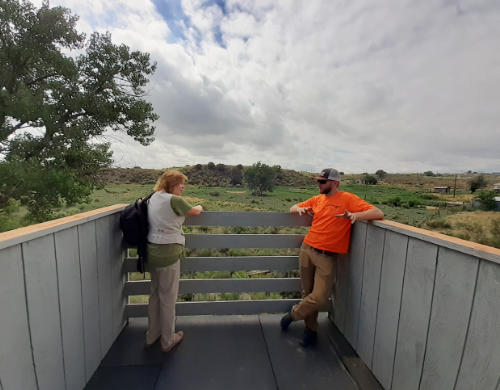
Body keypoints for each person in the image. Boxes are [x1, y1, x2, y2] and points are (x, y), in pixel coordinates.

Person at [281, 168, 384, 347]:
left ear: (335, 183)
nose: (318, 184)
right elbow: (292, 208)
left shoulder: (348, 199)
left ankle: (293, 315)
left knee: (320, 297)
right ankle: (311, 331)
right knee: (307, 292)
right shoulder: (317, 199)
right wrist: (298, 208)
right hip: (307, 249)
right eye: (318, 181)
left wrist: (355, 216)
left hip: (327, 257)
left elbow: (378, 213)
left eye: (322, 181)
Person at [144, 170, 203, 352]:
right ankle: (167, 340)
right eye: (180, 184)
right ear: (171, 185)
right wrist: (201, 206)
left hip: (151, 251)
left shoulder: (154, 197)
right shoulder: (174, 200)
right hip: (168, 253)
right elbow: (195, 212)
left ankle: (151, 335)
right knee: (168, 298)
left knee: (155, 295)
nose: (182, 187)